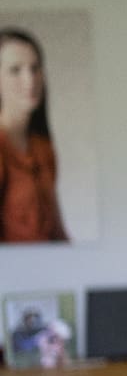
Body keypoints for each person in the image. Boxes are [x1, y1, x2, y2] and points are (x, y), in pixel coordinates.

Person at [0, 27, 69, 242]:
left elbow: (57, 232)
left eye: (35, 68)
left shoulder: (43, 148)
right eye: (15, 70)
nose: (29, 80)